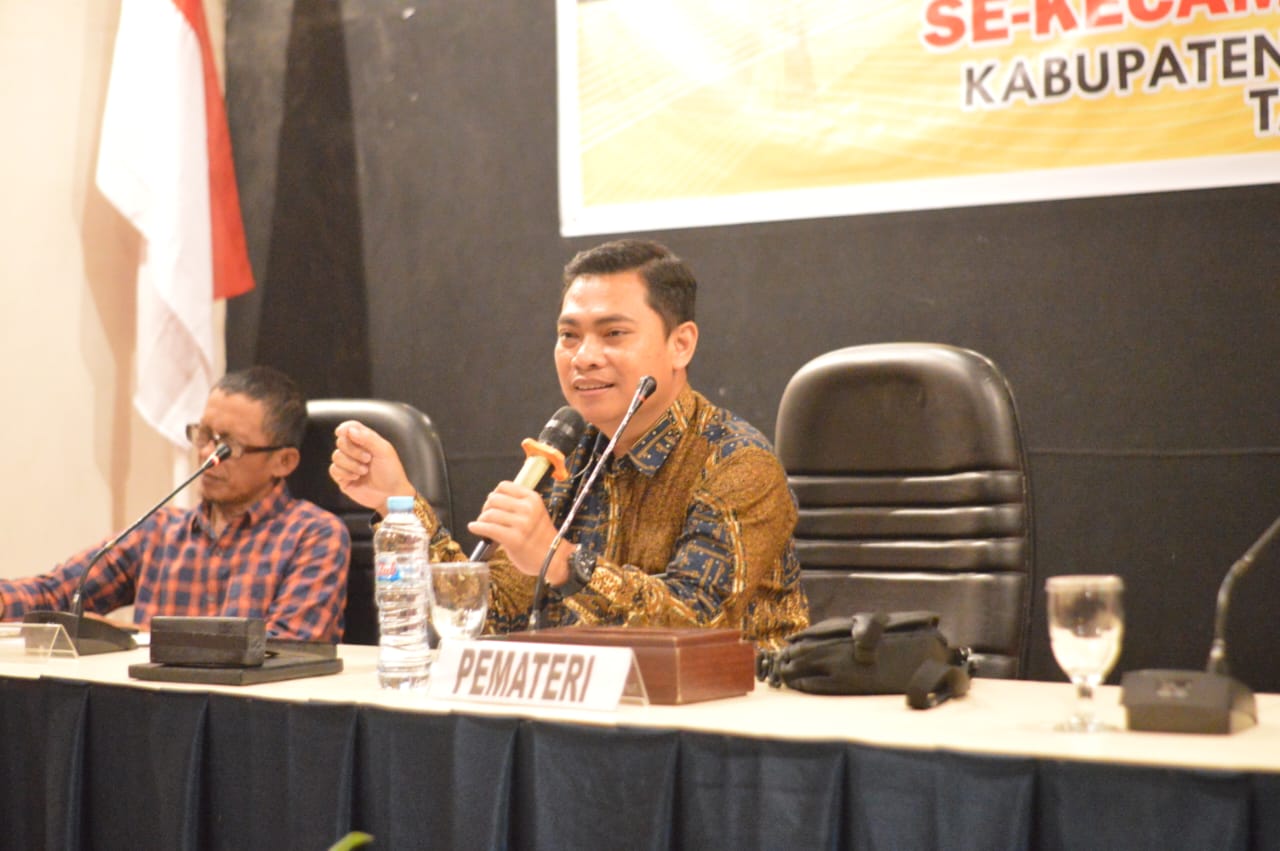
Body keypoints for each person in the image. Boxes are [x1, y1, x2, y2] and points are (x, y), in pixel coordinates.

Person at [330, 239, 809, 647]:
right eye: (569, 335)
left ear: (680, 344)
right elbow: (488, 619)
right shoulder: (565, 455)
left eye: (613, 333)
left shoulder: (738, 464)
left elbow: (696, 626)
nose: (584, 357)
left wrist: (561, 561)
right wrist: (397, 503)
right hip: (591, 710)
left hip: (734, 716)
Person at [0, 366, 351, 642]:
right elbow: (56, 594)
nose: (207, 455)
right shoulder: (158, 532)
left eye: (227, 447)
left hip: (252, 712)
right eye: (204, 436)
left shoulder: (314, 535)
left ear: (284, 462)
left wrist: (132, 638)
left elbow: (286, 646)